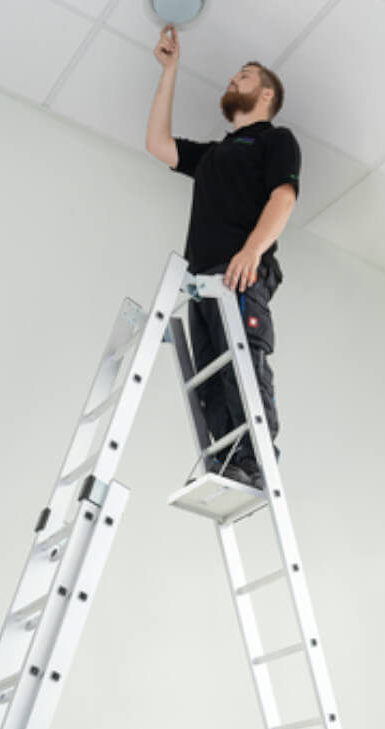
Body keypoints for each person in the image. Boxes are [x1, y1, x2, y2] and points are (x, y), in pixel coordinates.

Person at [145, 25, 300, 489]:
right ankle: (228, 461)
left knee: (243, 368)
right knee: (211, 379)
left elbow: (284, 198)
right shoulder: (213, 156)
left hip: (240, 274)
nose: (235, 78)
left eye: (246, 75)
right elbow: (158, 145)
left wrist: (251, 253)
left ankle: (257, 460)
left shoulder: (276, 140)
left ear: (267, 93)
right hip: (202, 283)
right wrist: (170, 69)